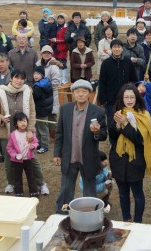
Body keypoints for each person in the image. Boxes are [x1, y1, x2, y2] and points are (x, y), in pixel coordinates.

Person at [0, 70, 50, 196]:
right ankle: (11, 183)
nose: (19, 81)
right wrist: (1, 118)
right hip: (7, 132)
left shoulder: (27, 91)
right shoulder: (0, 91)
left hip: (25, 133)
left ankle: (41, 183)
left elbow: (32, 113)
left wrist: (30, 130)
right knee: (9, 159)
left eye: (22, 79)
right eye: (16, 78)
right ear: (11, 78)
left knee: (32, 160)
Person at [54, 80, 107, 213]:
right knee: (66, 188)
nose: (81, 94)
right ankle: (62, 213)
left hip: (88, 158)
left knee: (89, 190)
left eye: (84, 92)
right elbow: (59, 133)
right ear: (73, 93)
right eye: (78, 92)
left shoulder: (98, 112)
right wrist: (57, 154)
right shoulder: (65, 109)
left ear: (89, 93)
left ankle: (90, 214)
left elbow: (104, 135)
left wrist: (96, 132)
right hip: (69, 156)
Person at [110, 84, 151, 222]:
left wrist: (125, 124)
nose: (129, 100)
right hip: (118, 159)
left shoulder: (144, 114)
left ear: (137, 98)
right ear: (121, 98)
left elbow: (138, 138)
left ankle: (138, 220)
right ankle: (126, 218)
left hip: (136, 160)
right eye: (126, 97)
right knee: (123, 194)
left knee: (138, 194)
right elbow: (112, 138)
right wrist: (117, 126)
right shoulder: (118, 113)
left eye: (132, 97)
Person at [98, 39, 138, 128]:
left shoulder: (128, 62)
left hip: (126, 100)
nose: (117, 49)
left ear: (122, 49)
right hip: (111, 101)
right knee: (112, 124)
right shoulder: (106, 63)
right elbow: (102, 82)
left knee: (127, 123)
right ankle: (114, 142)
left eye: (119, 47)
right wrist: (103, 99)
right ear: (111, 49)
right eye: (114, 47)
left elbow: (134, 80)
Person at [6, 111, 39, 197]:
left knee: (31, 176)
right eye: (20, 121)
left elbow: (36, 142)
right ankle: (18, 192)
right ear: (16, 124)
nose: (23, 123)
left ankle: (34, 191)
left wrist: (33, 146)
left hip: (28, 159)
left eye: (24, 121)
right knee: (17, 177)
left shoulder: (30, 134)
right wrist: (15, 156)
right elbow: (9, 148)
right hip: (17, 160)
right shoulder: (13, 135)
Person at [36, 45, 62, 125]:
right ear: (41, 54)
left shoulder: (54, 66)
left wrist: (47, 89)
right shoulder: (38, 64)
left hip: (51, 94)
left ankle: (55, 135)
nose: (46, 54)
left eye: (48, 53)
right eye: (44, 53)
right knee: (44, 116)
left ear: (51, 54)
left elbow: (56, 81)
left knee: (52, 116)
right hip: (41, 94)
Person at [32, 66, 53, 153]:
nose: (35, 76)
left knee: (42, 129)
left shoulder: (39, 86)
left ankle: (44, 146)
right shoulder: (46, 83)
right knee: (39, 128)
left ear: (42, 75)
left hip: (40, 110)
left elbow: (34, 97)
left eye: (38, 74)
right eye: (34, 74)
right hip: (44, 109)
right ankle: (39, 144)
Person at [54, 13, 70, 84]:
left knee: (62, 64)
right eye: (59, 19)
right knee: (56, 64)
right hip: (55, 48)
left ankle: (64, 79)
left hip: (63, 48)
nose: (60, 20)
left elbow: (65, 39)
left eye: (62, 18)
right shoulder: (56, 26)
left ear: (64, 19)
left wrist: (57, 40)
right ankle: (58, 79)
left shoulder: (66, 27)